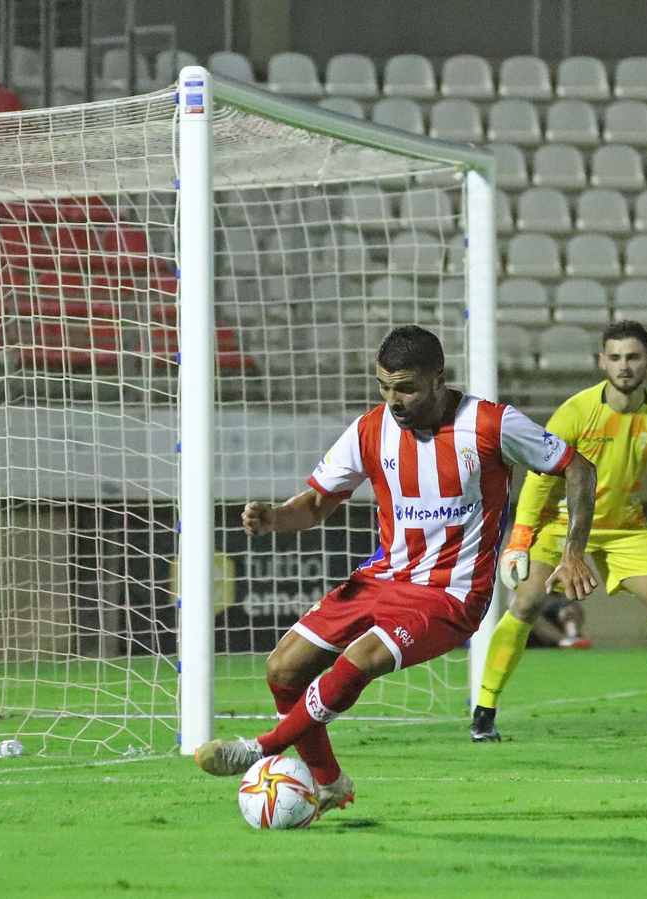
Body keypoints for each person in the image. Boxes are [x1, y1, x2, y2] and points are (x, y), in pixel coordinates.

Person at [192, 325, 598, 815]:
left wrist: (573, 550)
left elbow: (579, 469)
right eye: (384, 386)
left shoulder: (490, 424)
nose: (393, 399)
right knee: (282, 668)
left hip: (450, 594)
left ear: (438, 380)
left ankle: (262, 748)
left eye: (405, 387)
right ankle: (329, 783)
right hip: (383, 577)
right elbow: (318, 503)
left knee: (359, 661)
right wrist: (276, 517)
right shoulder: (371, 428)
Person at [470, 320, 647, 742]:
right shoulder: (574, 413)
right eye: (615, 357)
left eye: (632, 357)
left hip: (624, 528)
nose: (624, 366)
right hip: (562, 523)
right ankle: (483, 713)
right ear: (602, 361)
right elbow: (540, 479)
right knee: (526, 601)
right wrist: (518, 542)